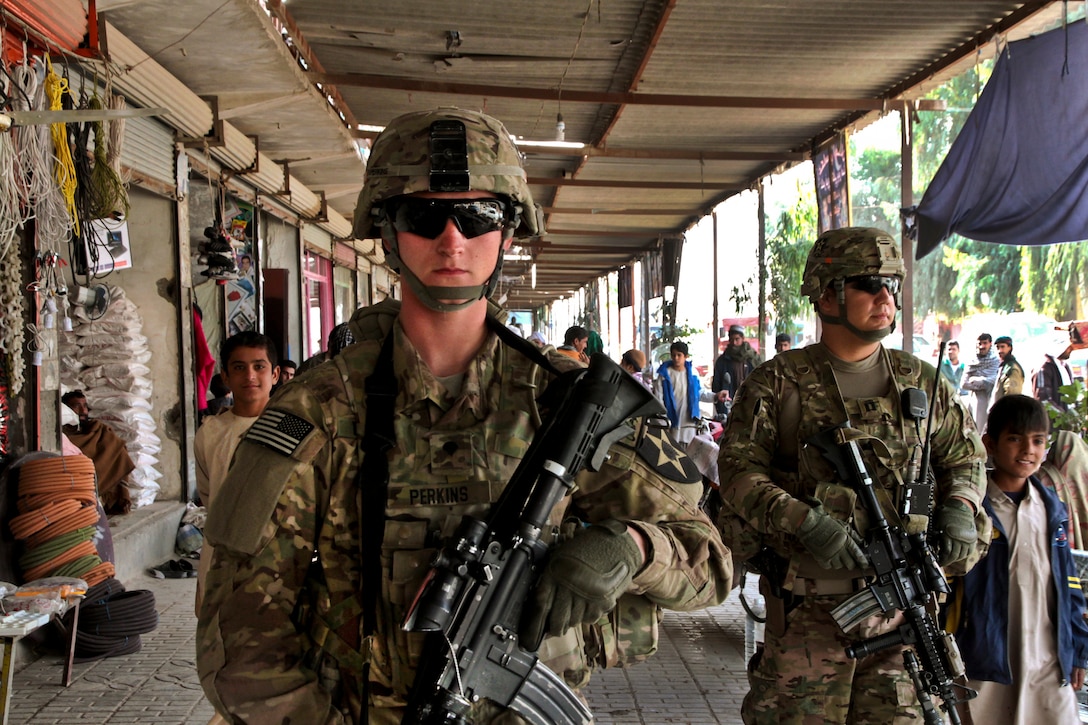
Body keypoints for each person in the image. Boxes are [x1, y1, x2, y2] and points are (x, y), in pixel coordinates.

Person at [197, 107, 732, 724]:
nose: (452, 241)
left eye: (478, 216)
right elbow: (237, 632)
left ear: (508, 232)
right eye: (424, 216)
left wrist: (632, 546)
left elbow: (712, 564)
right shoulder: (317, 410)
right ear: (387, 230)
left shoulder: (568, 405)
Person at [716, 227, 988, 724]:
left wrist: (960, 508)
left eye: (892, 285)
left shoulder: (922, 382)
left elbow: (965, 460)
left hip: (904, 615)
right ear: (826, 293)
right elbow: (736, 473)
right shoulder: (778, 383)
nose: (885, 298)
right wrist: (802, 520)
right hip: (806, 619)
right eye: (867, 283)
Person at [945, 395, 1088, 724]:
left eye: (1038, 441)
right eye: (1014, 438)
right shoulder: (973, 509)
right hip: (985, 653)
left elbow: (1069, 583)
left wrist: (1078, 645)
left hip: (1047, 655)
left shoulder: (1051, 508)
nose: (1028, 450)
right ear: (989, 443)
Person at [194, 330, 280, 613]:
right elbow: (209, 494)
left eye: (259, 366)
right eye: (239, 368)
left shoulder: (293, 429)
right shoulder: (211, 433)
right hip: (221, 555)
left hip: (277, 558)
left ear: (275, 374)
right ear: (226, 377)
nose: (250, 376)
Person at [61, 389, 134, 515]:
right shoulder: (63, 437)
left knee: (115, 445)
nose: (83, 411)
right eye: (76, 406)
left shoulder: (97, 430)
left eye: (85, 406)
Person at [654, 341, 727, 445]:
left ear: (686, 356)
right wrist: (662, 419)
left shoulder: (692, 374)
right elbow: (659, 398)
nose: (676, 358)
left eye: (679, 355)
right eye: (674, 355)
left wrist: (716, 396)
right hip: (670, 421)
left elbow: (700, 394)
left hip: (689, 423)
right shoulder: (664, 375)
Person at [712, 323, 761, 417]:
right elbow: (716, 385)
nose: (734, 343)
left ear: (742, 339)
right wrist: (720, 406)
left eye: (737, 339)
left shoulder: (752, 359)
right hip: (729, 404)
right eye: (731, 339)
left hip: (749, 403)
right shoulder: (722, 361)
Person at [962, 333, 1000, 432]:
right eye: (980, 343)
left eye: (985, 343)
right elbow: (964, 383)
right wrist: (982, 384)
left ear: (990, 344)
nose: (982, 346)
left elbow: (994, 380)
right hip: (973, 399)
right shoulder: (972, 361)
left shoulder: (995, 361)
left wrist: (980, 380)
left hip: (989, 399)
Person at [993, 335, 1025, 403]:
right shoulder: (1003, 366)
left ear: (1010, 348)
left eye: (1002, 347)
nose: (1000, 350)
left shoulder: (1012, 368)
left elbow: (1012, 395)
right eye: (997, 347)